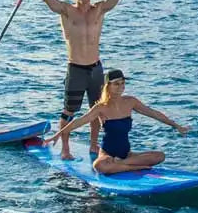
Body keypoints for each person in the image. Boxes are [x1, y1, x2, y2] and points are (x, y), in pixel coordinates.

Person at [32, 0, 132, 160]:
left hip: (95, 69)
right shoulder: (66, 11)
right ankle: (65, 149)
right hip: (76, 69)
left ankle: (94, 146)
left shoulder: (99, 10)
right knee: (69, 111)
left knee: (96, 110)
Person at [44, 69, 189, 174]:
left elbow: (153, 113)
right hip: (108, 154)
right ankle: (134, 167)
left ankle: (122, 164)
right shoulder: (101, 107)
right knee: (99, 166)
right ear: (108, 86)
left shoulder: (130, 101)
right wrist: (58, 134)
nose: (121, 87)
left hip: (126, 154)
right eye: (116, 84)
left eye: (123, 83)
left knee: (160, 156)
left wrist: (176, 125)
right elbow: (79, 121)